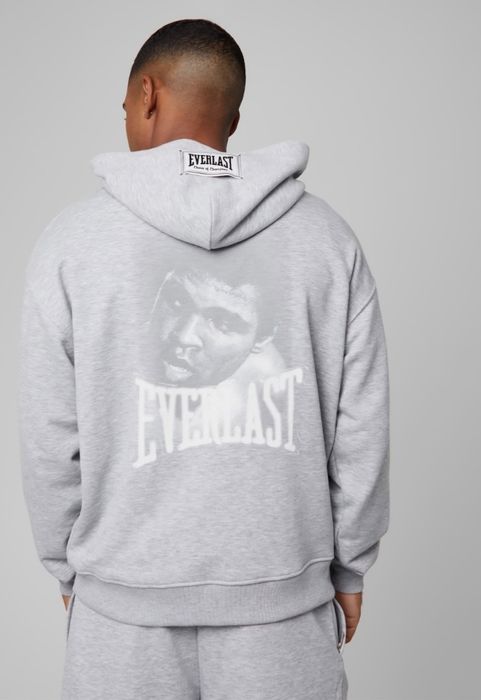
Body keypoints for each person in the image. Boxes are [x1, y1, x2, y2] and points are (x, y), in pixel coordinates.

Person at [17, 17, 390, 700]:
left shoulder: (71, 243)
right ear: (233, 119)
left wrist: (69, 569)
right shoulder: (328, 241)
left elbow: (49, 437)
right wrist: (350, 566)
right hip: (284, 613)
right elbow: (360, 426)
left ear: (146, 95)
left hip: (120, 619)